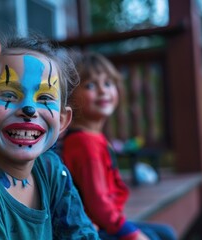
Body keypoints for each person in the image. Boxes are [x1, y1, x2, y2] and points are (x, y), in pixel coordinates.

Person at [0, 36, 99, 239]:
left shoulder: (50, 169)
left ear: (62, 120)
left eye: (44, 98)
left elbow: (81, 233)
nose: (29, 109)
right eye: (8, 95)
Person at [61, 52, 176, 240]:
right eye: (90, 85)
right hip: (89, 229)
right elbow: (98, 204)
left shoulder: (92, 137)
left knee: (166, 233)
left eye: (108, 83)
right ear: (71, 97)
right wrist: (130, 233)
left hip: (103, 222)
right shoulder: (85, 143)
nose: (103, 91)